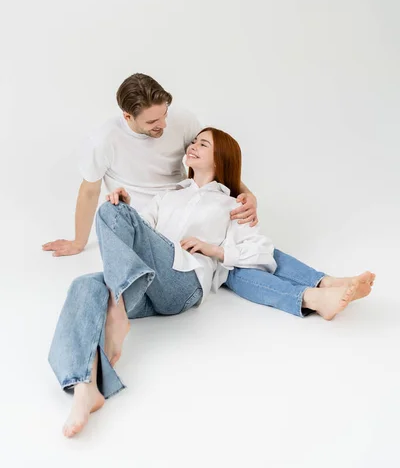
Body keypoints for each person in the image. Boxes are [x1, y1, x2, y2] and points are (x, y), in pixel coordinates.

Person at [49, 127, 374, 438]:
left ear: (222, 159)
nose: (192, 146)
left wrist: (214, 249)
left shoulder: (231, 204)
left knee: (112, 213)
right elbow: (137, 231)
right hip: (143, 283)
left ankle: (116, 312)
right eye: (194, 142)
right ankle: (84, 387)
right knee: (87, 279)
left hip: (183, 282)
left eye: (203, 144)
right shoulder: (167, 195)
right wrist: (126, 206)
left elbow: (260, 251)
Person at [42, 73, 258, 258]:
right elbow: (89, 191)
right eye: (152, 122)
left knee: (246, 252)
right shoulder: (104, 140)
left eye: (164, 115)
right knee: (226, 259)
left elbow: (212, 159)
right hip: (144, 222)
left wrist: (246, 194)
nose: (163, 125)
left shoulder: (183, 120)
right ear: (128, 116)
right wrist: (78, 242)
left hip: (185, 207)